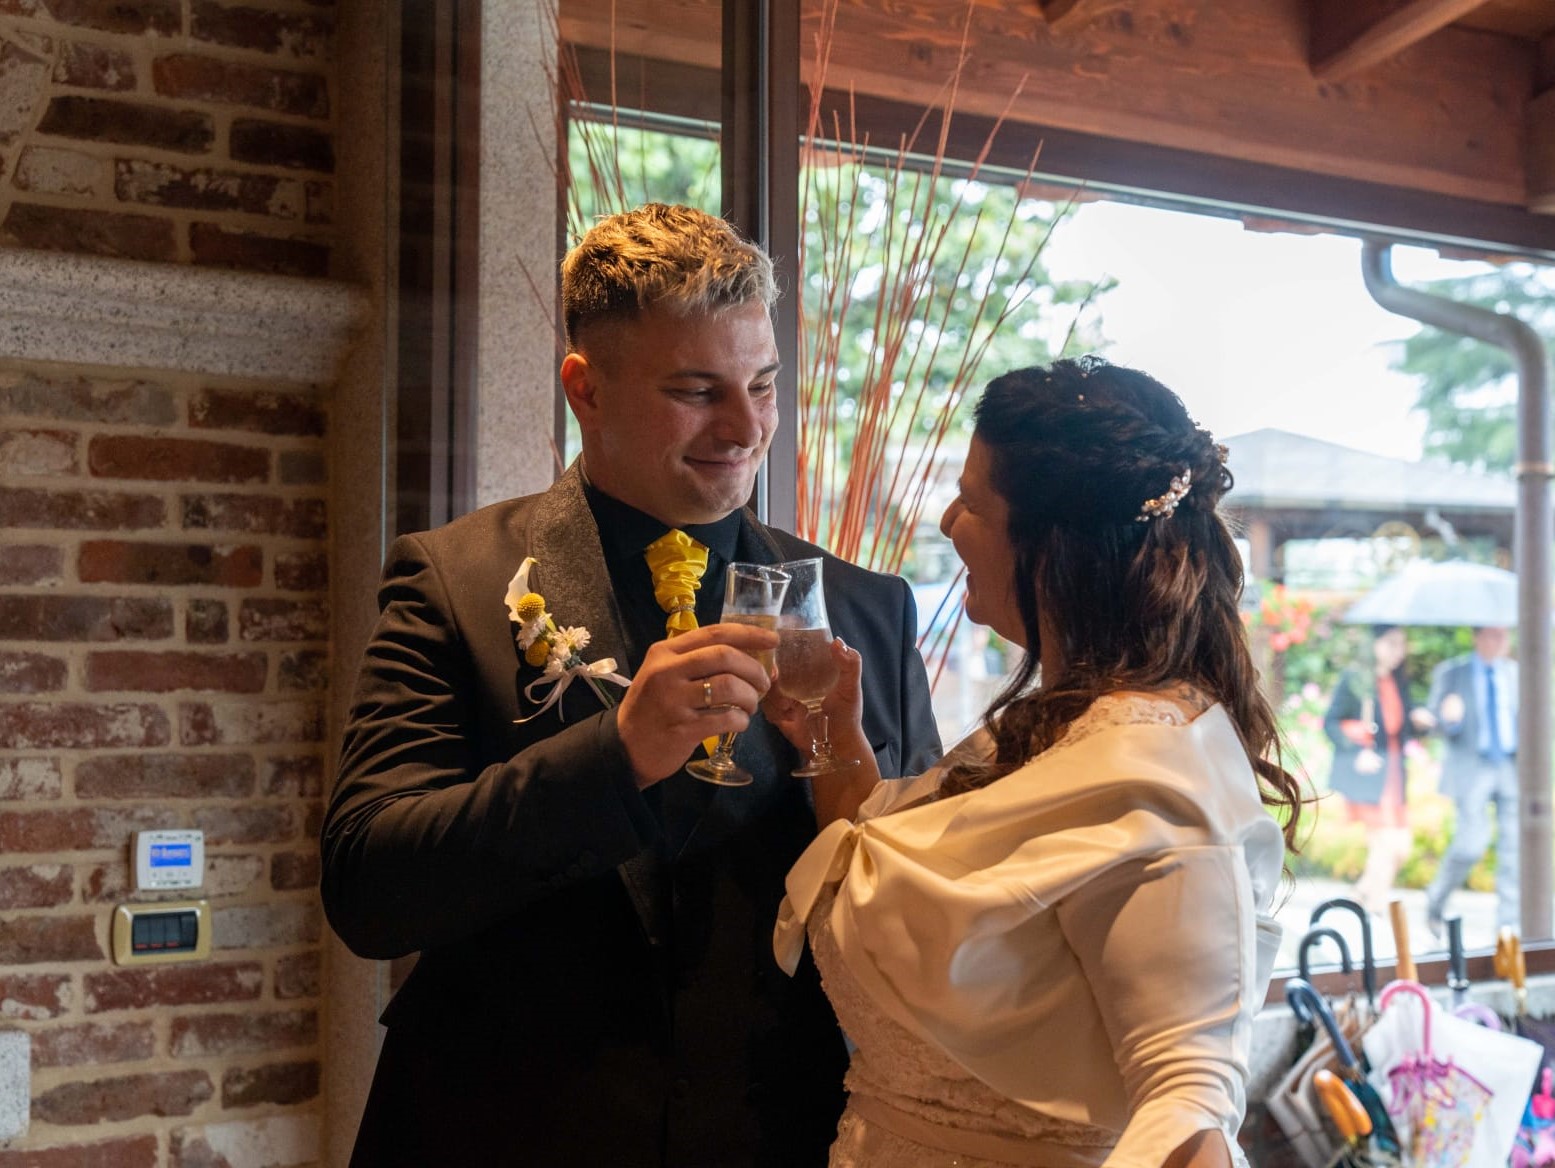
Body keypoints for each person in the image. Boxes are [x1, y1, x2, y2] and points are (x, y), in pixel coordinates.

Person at [320, 203, 942, 1167]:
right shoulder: (457, 580)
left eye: (764, 385)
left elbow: (918, 922)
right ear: (586, 388)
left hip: (792, 1136)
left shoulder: (866, 611)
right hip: (507, 1132)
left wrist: (840, 774)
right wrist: (616, 758)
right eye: (697, 391)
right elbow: (369, 889)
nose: (745, 428)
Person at [766, 357, 1305, 1168]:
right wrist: (828, 731)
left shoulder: (1157, 782)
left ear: (1051, 547)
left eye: (975, 502)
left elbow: (1186, 1112)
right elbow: (878, 873)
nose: (948, 522)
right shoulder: (1047, 729)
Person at [1322, 623, 1433, 913]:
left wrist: (1418, 720)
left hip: (1394, 770)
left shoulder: (1397, 681)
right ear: (1375, 644)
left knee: (1400, 845)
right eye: (1392, 643)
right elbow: (1330, 722)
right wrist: (1355, 750)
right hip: (1370, 771)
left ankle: (1360, 894)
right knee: (1386, 843)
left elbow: (1401, 726)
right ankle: (1376, 904)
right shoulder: (1356, 680)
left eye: (1402, 644)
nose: (1399, 651)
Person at [1424, 624, 1519, 934]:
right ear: (1478, 636)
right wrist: (1447, 718)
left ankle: (1508, 926)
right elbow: (1432, 722)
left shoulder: (1515, 673)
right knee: (1470, 845)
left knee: (1513, 848)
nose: (1502, 640)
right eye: (1494, 634)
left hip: (1509, 766)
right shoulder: (1453, 673)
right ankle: (1435, 901)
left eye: (1505, 634)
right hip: (1472, 767)